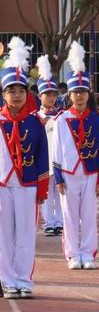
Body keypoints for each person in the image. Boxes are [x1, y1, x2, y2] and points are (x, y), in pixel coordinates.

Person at [0, 37, 49, 300]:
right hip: (1, 185)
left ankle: (24, 280)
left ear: (27, 94)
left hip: (28, 184)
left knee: (26, 235)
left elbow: (43, 157)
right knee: (4, 236)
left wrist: (42, 187)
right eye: (11, 91)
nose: (17, 95)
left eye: (21, 90)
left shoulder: (36, 123)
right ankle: (8, 280)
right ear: (3, 95)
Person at [52, 42, 99, 270]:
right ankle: (72, 254)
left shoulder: (96, 119)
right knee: (69, 215)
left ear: (88, 94)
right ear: (69, 95)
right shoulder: (61, 119)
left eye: (83, 92)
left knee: (89, 214)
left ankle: (88, 253)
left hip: (91, 172)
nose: (79, 96)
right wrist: (58, 176)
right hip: (69, 172)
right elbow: (57, 149)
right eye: (75, 92)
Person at [35, 55, 63, 237]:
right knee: (45, 193)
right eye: (48, 95)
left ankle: (60, 222)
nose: (51, 98)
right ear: (40, 96)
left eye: (54, 95)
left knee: (60, 193)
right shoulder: (34, 116)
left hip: (58, 160)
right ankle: (49, 222)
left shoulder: (62, 116)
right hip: (42, 161)